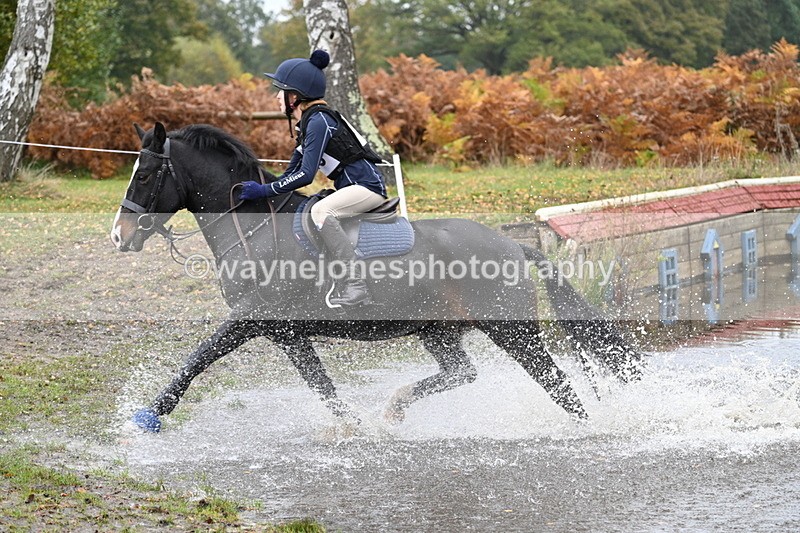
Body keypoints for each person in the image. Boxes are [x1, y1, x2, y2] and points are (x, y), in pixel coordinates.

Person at [238, 50, 387, 307]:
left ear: (294, 97)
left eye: (280, 91)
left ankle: (356, 285)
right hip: (352, 187)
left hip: (367, 188)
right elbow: (289, 174)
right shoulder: (308, 123)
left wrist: (263, 191)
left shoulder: (318, 122)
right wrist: (264, 192)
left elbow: (306, 176)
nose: (276, 96)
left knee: (320, 211)